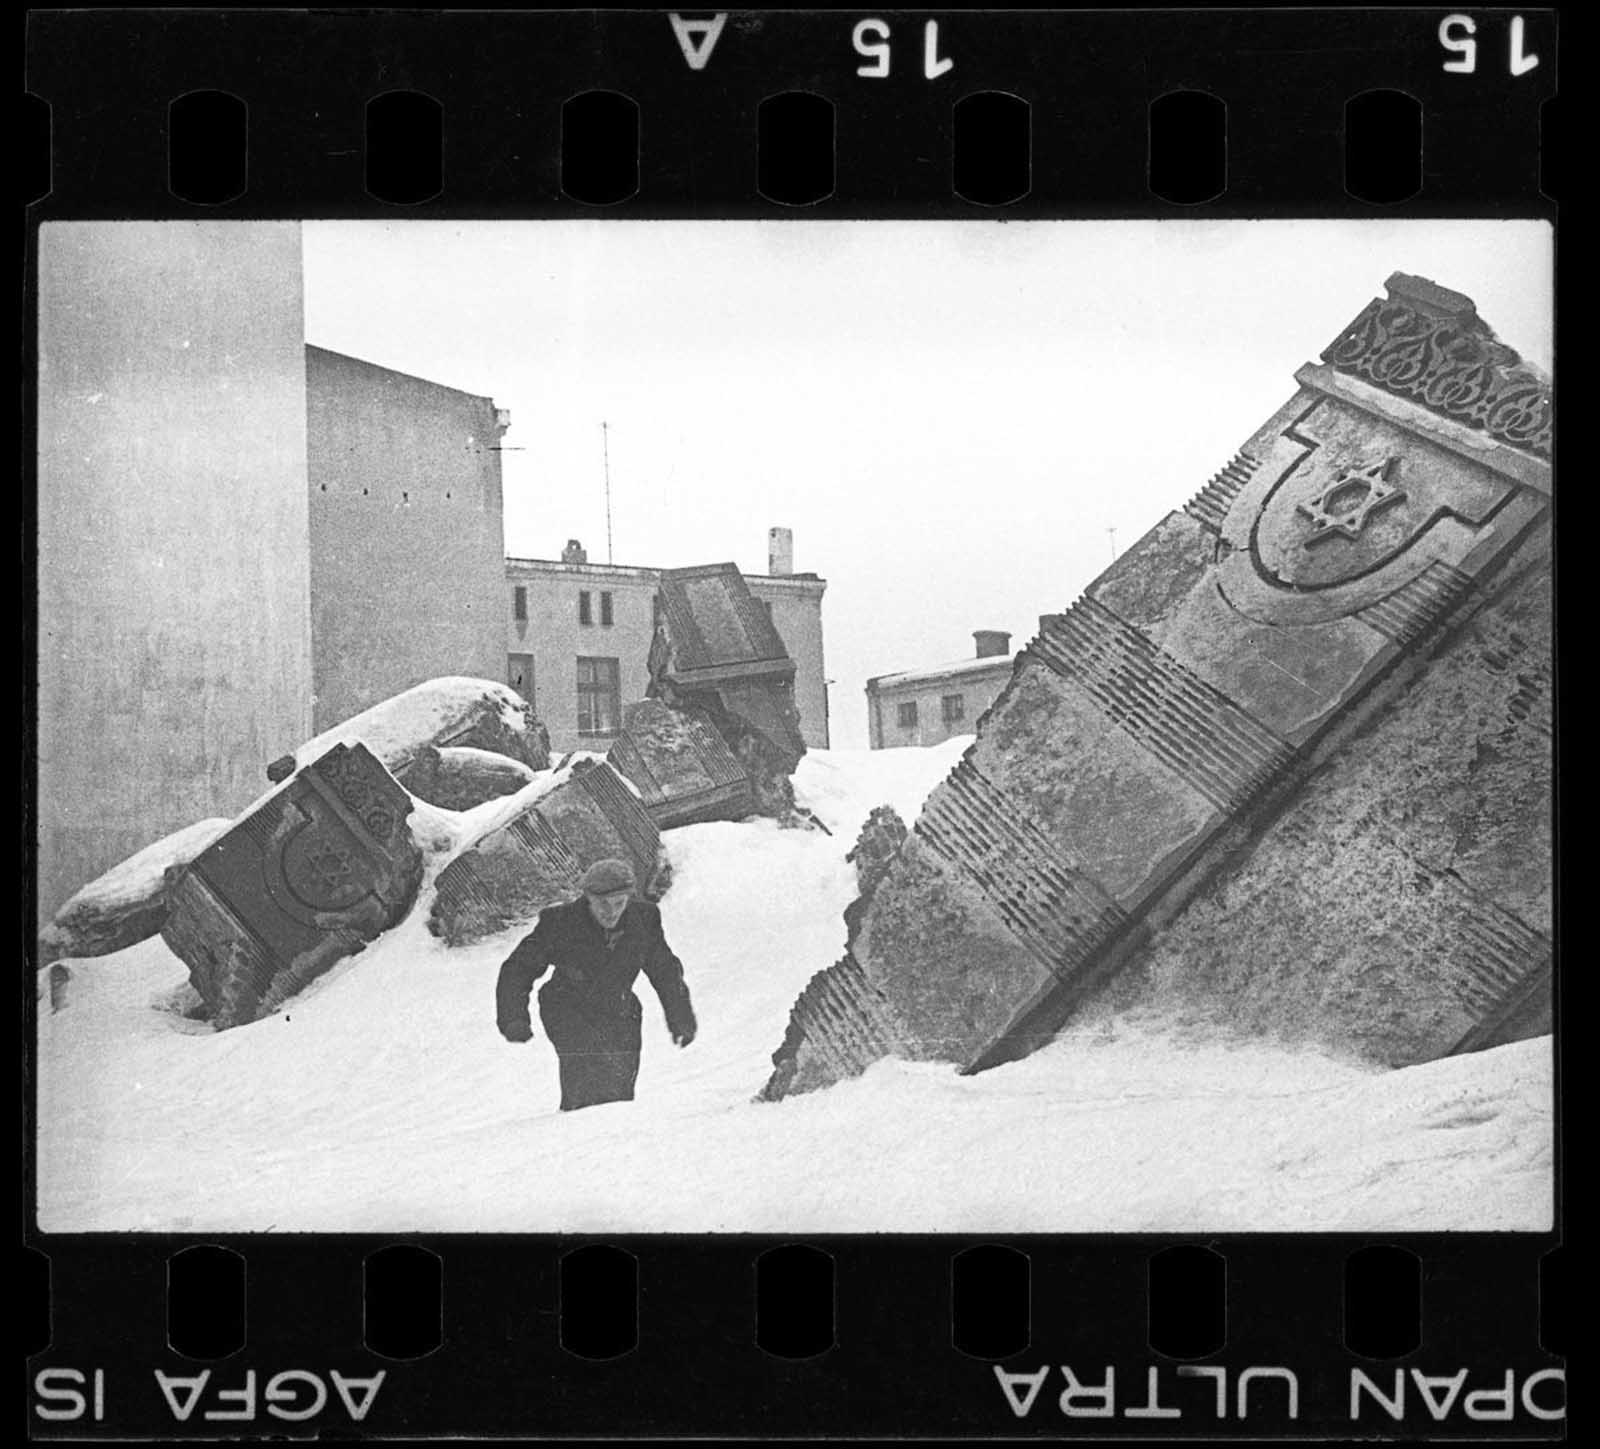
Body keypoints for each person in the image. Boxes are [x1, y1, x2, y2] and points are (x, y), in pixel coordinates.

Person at [495, 858, 697, 1110]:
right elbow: (517, 969)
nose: (611, 912)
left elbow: (665, 970)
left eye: (619, 903)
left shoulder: (644, 919)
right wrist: (514, 1018)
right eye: (602, 904)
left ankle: (606, 1144)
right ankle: (574, 1132)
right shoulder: (560, 922)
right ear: (588, 898)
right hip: (567, 1007)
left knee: (620, 1094)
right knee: (586, 1084)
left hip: (620, 1010)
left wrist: (681, 1017)